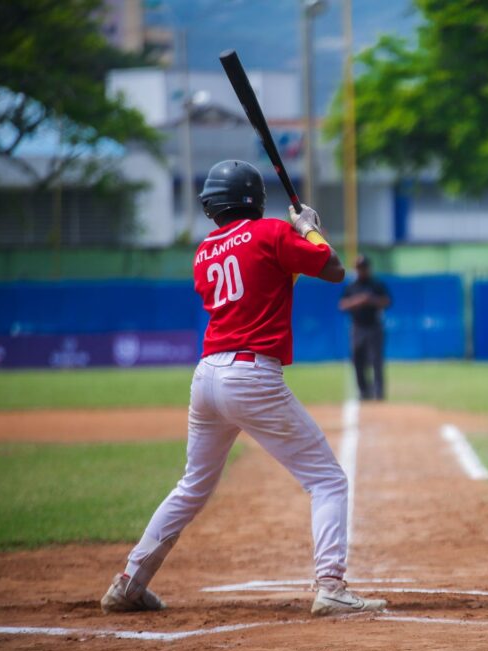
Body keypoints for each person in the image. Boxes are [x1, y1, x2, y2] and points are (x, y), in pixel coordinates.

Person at [100, 160, 386, 617]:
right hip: (252, 375)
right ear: (255, 198)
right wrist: (309, 229)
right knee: (327, 480)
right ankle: (331, 586)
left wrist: (297, 237)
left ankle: (128, 582)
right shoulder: (270, 232)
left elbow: (269, 279)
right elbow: (332, 269)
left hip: (207, 376)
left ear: (211, 204)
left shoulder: (204, 252)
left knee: (191, 487)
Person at [339, 254, 391, 401]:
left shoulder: (376, 285)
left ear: (368, 268)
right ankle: (364, 391)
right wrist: (359, 301)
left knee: (376, 360)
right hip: (357, 327)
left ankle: (379, 392)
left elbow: (387, 301)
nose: (361, 271)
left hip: (374, 326)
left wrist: (371, 300)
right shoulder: (352, 286)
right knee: (358, 360)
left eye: (364, 268)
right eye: (359, 268)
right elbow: (342, 305)